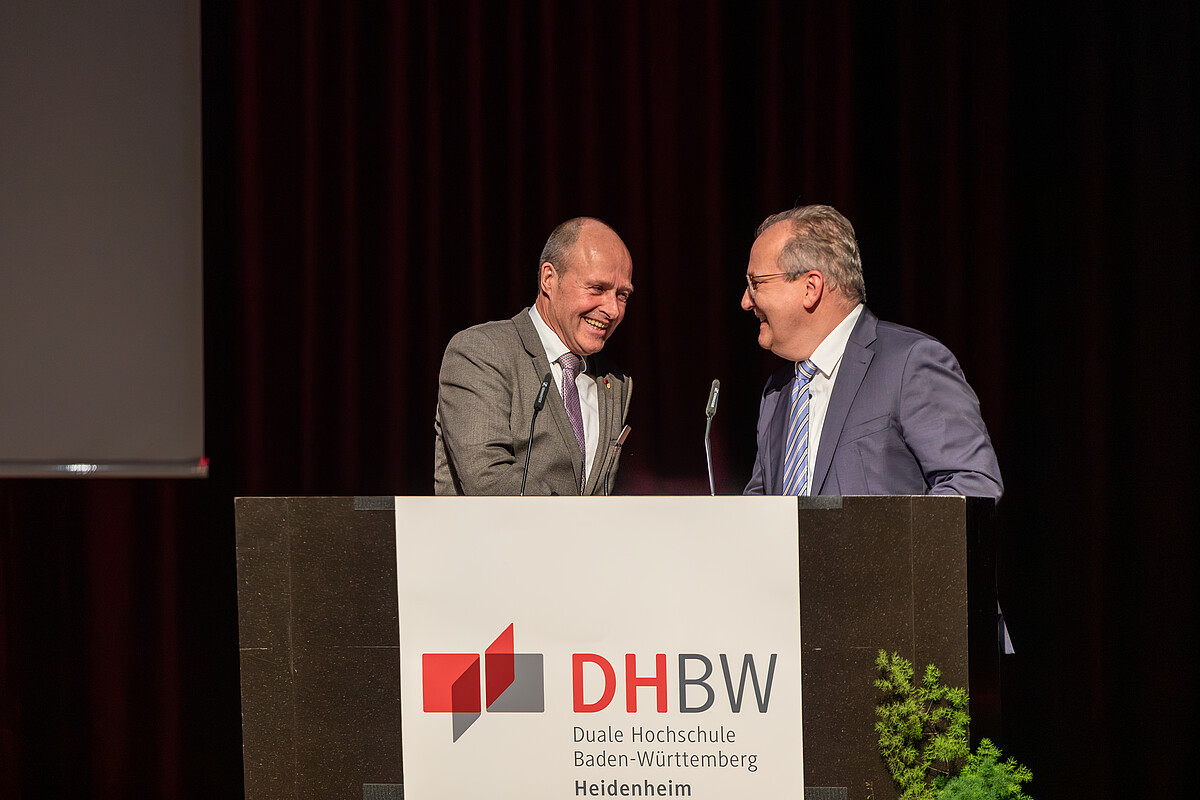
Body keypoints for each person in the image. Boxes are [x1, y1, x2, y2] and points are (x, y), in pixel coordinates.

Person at [741, 204, 1003, 498]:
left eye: (756, 283)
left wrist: (882, 531)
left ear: (811, 287)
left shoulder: (909, 364)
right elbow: (760, 508)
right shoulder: (777, 391)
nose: (746, 302)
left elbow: (971, 485)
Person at [435, 217, 634, 495]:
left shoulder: (614, 382)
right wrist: (574, 520)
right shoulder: (481, 352)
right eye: (597, 288)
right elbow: (487, 479)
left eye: (622, 295)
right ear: (549, 279)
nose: (613, 310)